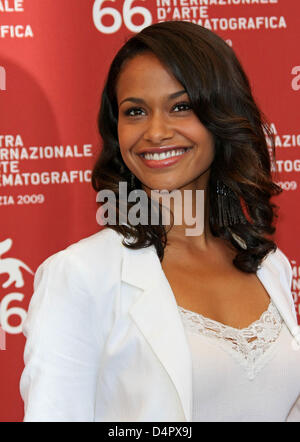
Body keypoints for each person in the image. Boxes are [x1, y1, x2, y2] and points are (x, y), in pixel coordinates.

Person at [20, 21, 300, 422]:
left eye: (180, 107)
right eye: (135, 111)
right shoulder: (82, 275)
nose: (155, 131)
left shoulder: (270, 264)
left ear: (220, 115)